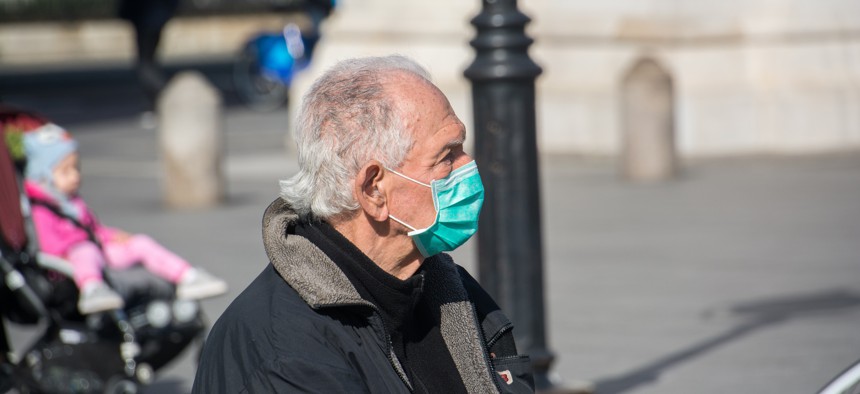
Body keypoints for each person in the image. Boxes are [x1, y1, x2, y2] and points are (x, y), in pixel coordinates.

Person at [193, 55, 534, 393]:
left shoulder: (447, 287)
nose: (468, 165)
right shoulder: (285, 354)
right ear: (374, 190)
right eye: (447, 156)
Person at [22, 122, 228, 314]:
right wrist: (84, 242)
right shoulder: (42, 209)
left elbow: (94, 229)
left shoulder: (72, 201)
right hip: (70, 263)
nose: (75, 176)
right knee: (85, 250)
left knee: (140, 242)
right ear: (43, 178)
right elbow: (50, 245)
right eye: (65, 171)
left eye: (76, 168)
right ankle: (93, 289)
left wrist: (112, 236)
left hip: (97, 251)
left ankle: (187, 275)